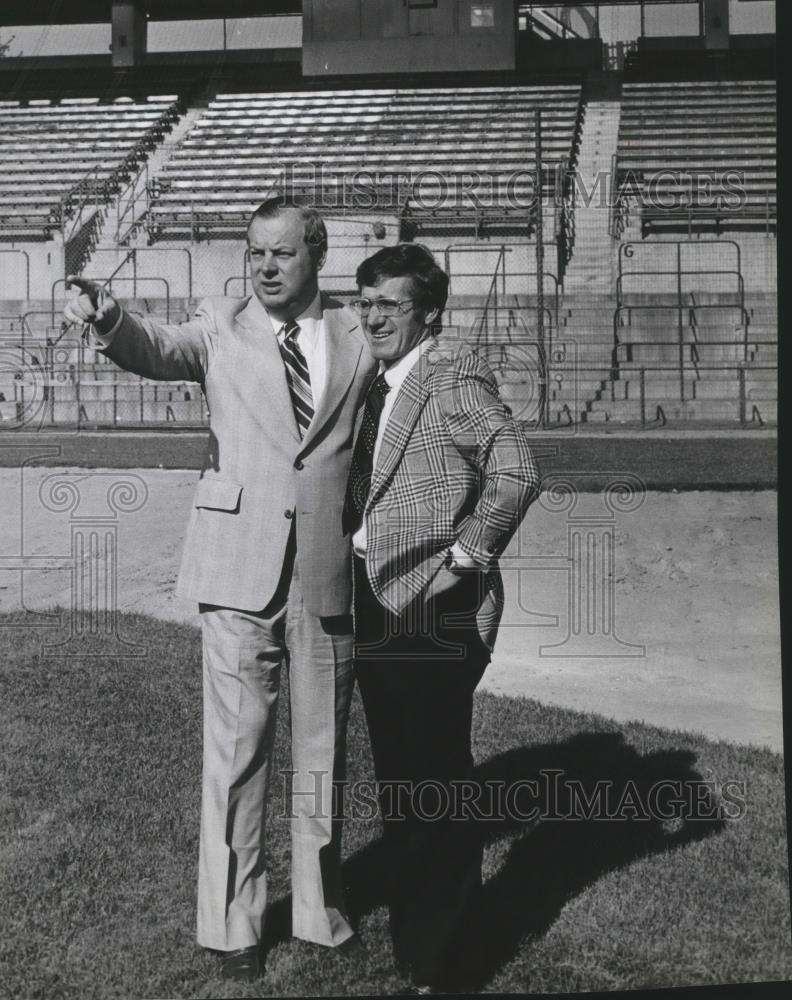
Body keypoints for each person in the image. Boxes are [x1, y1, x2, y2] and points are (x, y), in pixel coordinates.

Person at [64, 197, 377, 982]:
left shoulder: (356, 333)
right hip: (239, 566)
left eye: (282, 254)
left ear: (317, 255)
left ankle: (318, 911)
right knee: (236, 756)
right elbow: (154, 347)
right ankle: (233, 926)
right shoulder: (221, 322)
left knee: (321, 754)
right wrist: (108, 317)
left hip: (327, 573)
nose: (265, 267)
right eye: (255, 252)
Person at [346, 243, 540, 995]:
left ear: (428, 312)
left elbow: (517, 471)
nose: (373, 316)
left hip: (433, 609)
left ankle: (444, 960)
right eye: (365, 302)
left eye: (389, 304)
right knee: (404, 784)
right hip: (376, 599)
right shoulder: (378, 382)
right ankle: (421, 941)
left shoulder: (449, 373)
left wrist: (464, 563)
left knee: (437, 786)